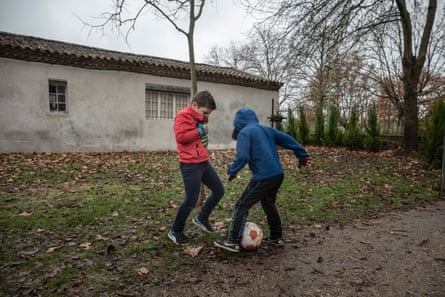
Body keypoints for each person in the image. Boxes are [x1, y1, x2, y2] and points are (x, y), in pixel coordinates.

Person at [214, 108, 311, 252]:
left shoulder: (245, 132)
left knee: (242, 205)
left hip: (263, 177)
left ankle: (233, 240)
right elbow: (287, 139)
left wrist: (231, 172)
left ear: (238, 123)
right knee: (268, 203)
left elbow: (243, 157)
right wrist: (302, 154)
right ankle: (276, 237)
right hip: (277, 174)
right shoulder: (266, 129)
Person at [168, 90, 225, 245]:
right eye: (205, 112)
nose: (206, 116)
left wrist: (201, 126)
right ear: (194, 105)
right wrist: (198, 131)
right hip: (190, 164)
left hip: (203, 161)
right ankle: (175, 231)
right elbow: (181, 138)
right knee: (191, 200)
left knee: (219, 190)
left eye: (208, 114)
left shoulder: (199, 118)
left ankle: (201, 218)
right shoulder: (183, 116)